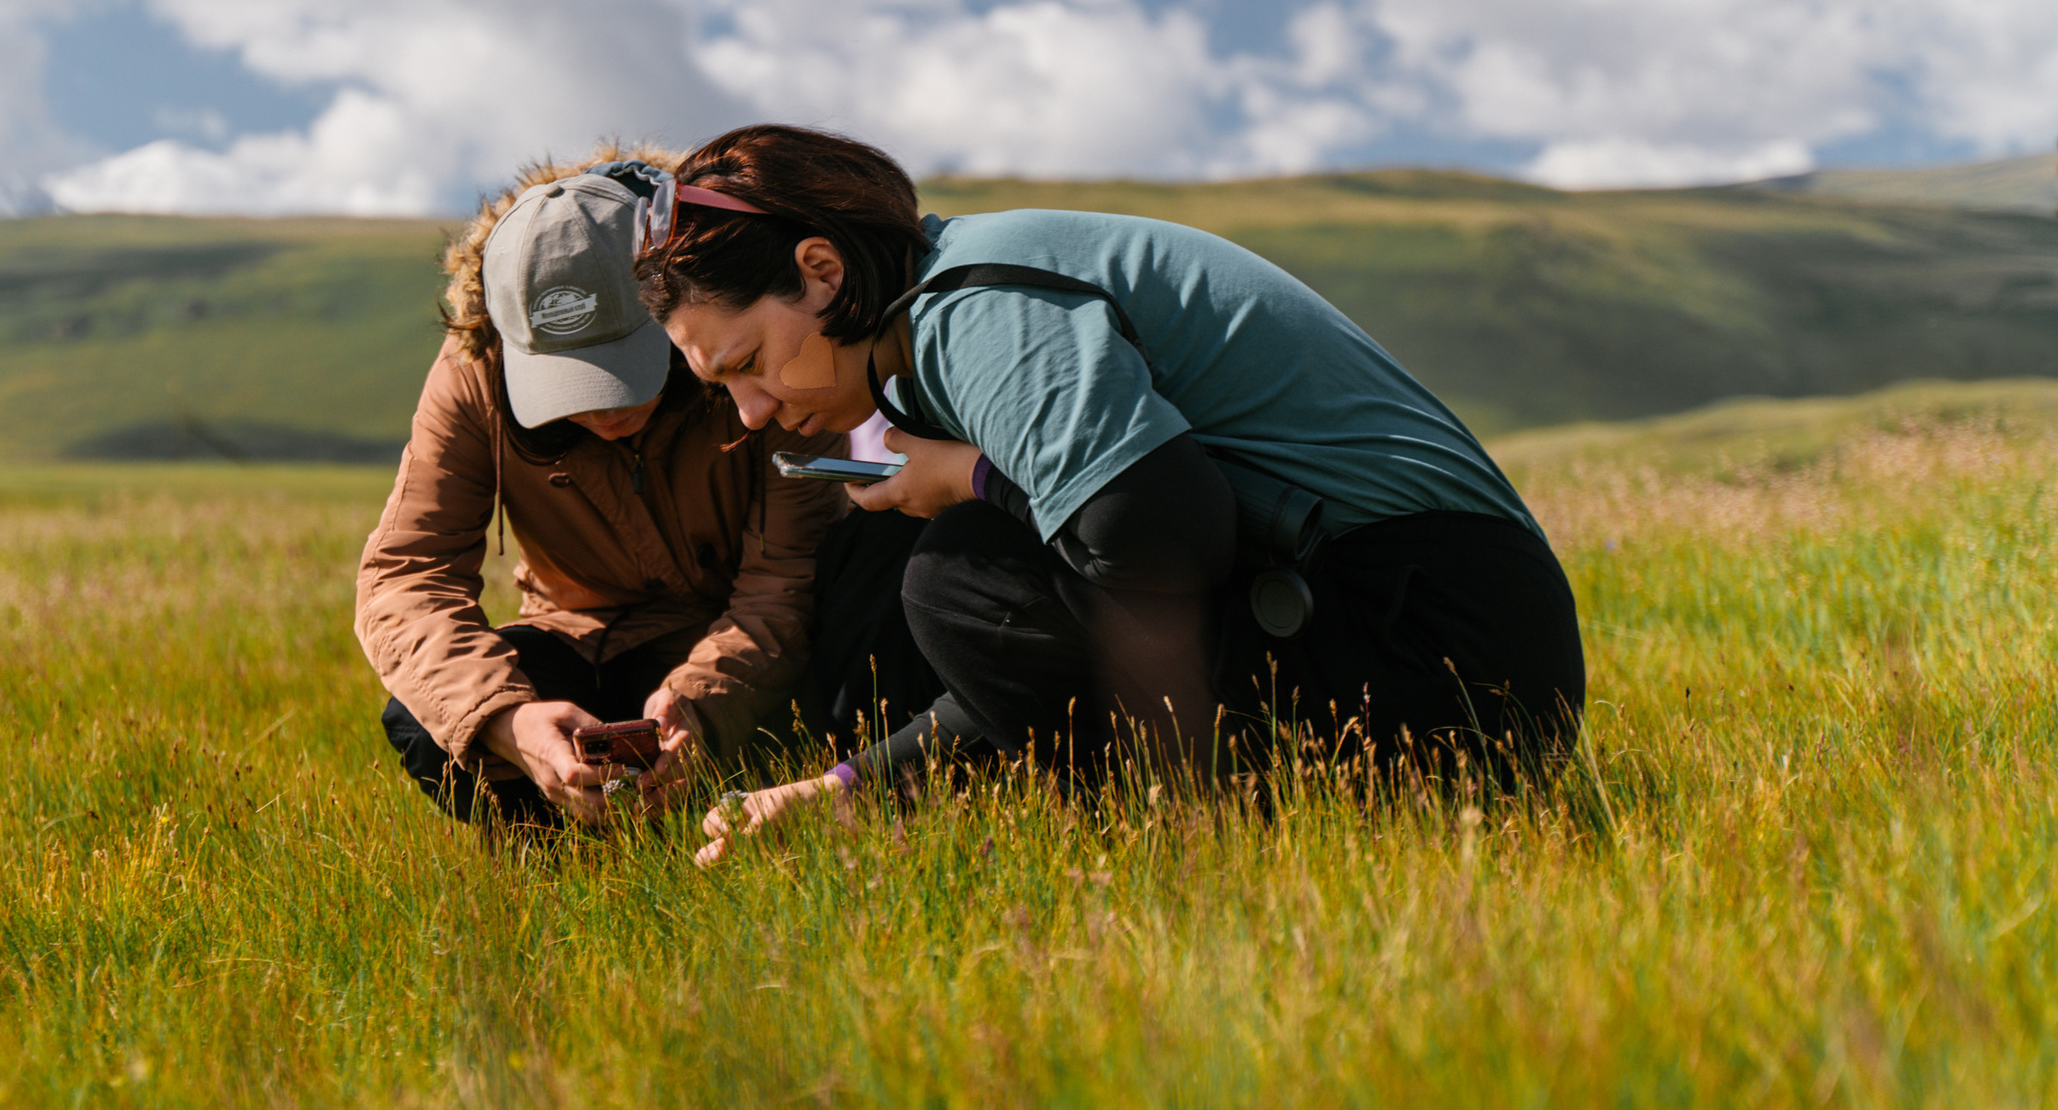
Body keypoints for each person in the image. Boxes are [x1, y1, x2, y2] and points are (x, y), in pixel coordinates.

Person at [633, 125, 1586, 860]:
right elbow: (1084, 611)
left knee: (963, 573)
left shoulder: (974, 309)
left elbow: (1163, 536)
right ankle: (1215, 827)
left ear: (822, 270)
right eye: (726, 389)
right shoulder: (949, 302)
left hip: (1446, 639)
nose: (750, 413)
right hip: (1433, 629)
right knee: (978, 568)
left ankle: (1196, 840)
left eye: (749, 363)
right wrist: (846, 786)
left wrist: (967, 477)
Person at [356, 148, 846, 827]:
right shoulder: (475, 367)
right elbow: (406, 575)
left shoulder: (748, 335)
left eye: (623, 363)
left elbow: (787, 578)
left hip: (750, 661)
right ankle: (570, 853)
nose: (605, 411)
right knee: (427, 716)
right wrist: (510, 720)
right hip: (574, 642)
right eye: (570, 381)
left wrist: (699, 701)